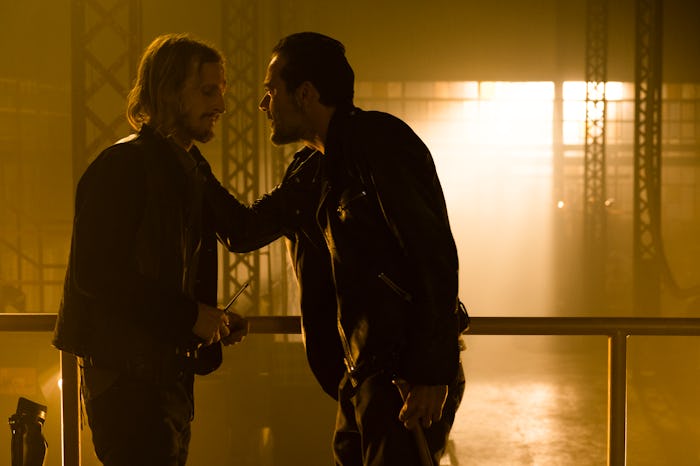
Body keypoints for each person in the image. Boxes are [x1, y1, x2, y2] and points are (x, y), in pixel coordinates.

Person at [205, 32, 467, 466]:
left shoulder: (381, 144)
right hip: (362, 375)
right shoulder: (311, 170)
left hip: (402, 375)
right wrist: (187, 160)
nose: (264, 104)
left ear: (305, 94)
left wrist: (430, 373)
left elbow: (432, 255)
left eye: (272, 91)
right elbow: (243, 231)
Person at [52, 33, 248, 466]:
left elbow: (238, 228)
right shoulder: (124, 166)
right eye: (207, 90)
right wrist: (191, 316)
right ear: (169, 91)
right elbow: (96, 274)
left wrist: (203, 319)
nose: (220, 104)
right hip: (130, 382)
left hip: (154, 379)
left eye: (220, 90)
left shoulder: (183, 164)